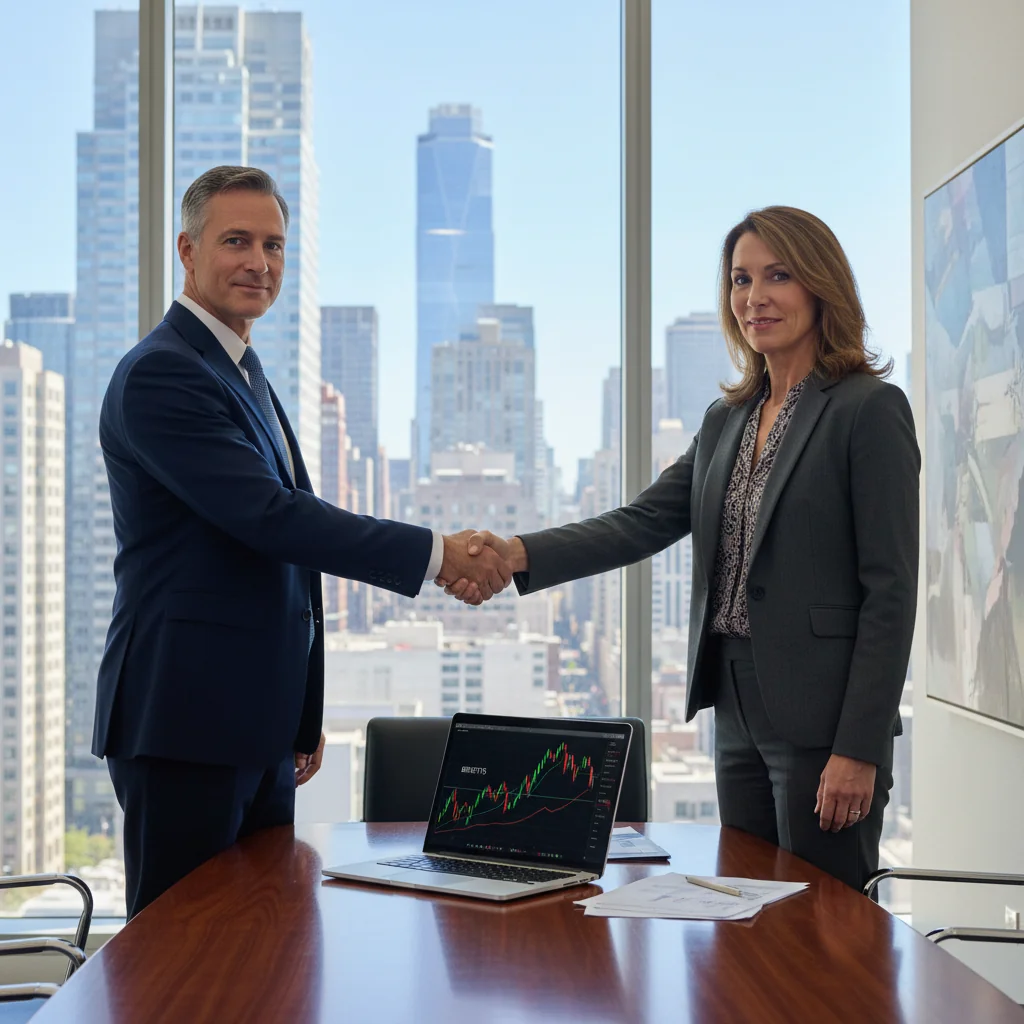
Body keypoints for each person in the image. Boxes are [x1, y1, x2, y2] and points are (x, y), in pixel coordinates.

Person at [441, 206, 919, 891]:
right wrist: (514, 553)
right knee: (748, 908)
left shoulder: (867, 408)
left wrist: (859, 747)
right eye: (740, 280)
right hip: (732, 702)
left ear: (821, 285)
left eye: (777, 275)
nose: (755, 297)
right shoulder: (728, 419)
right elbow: (642, 520)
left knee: (826, 929)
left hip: (824, 718)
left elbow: (892, 593)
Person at [95, 165, 512, 918]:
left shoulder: (240, 370)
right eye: (237, 241)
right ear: (187, 251)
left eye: (275, 245)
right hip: (184, 722)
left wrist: (302, 710)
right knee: (181, 962)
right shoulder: (163, 373)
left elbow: (285, 559)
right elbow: (272, 517)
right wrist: (440, 554)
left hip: (255, 725)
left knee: (262, 947)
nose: (260, 262)